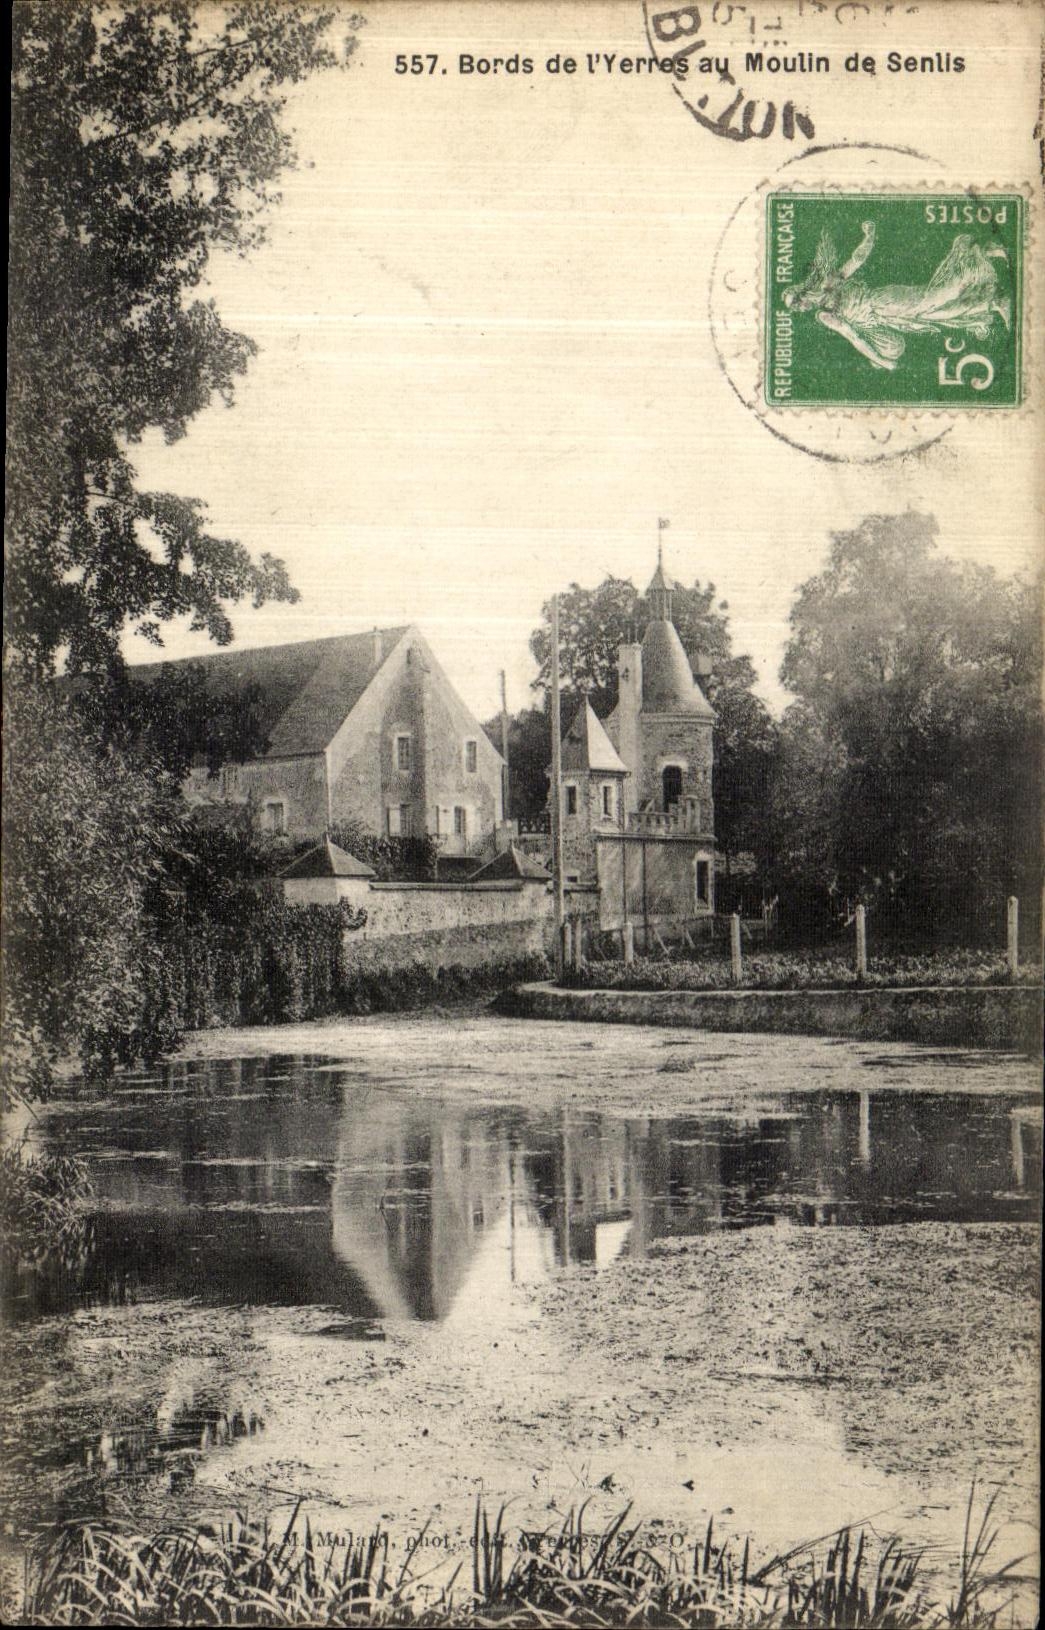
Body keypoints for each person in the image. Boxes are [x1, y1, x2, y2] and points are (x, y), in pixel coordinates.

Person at [782, 220, 1011, 371]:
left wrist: (869, 236)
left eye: (796, 302)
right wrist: (881, 359)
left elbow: (856, 260)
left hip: (882, 301)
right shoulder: (824, 315)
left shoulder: (828, 283)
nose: (799, 308)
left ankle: (979, 252)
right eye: (795, 308)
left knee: (934, 299)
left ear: (802, 294)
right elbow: (854, 336)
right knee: (937, 315)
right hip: (885, 319)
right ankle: (993, 302)